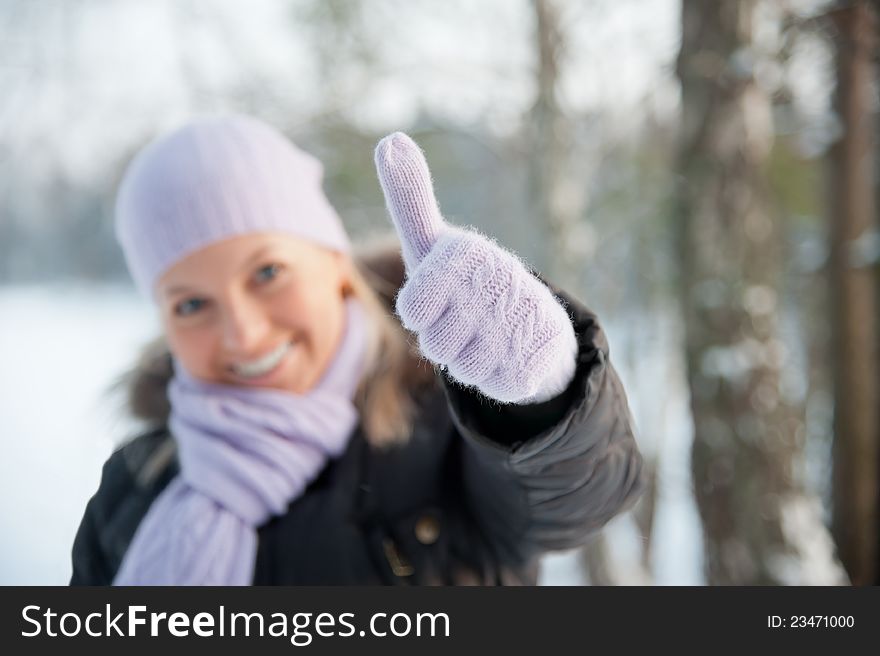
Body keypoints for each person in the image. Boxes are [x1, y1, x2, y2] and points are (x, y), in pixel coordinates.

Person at [69, 114, 644, 585]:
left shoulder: (449, 425)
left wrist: (543, 395)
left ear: (336, 264)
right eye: (191, 305)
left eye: (267, 272)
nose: (242, 333)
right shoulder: (135, 489)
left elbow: (580, 500)